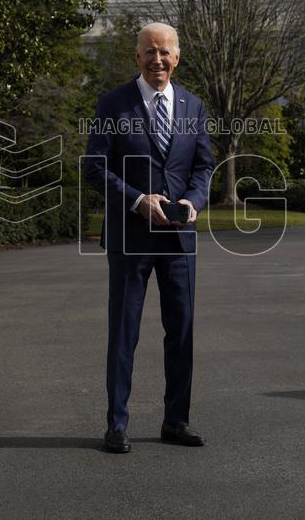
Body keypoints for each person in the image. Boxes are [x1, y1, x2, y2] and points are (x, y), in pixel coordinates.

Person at [85, 22, 214, 454]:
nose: (158, 59)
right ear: (137, 56)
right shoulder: (112, 104)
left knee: (182, 332)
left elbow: (203, 167)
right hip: (130, 235)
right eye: (150, 52)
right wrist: (138, 200)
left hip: (180, 237)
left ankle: (176, 421)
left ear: (177, 56)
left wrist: (194, 200)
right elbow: (94, 168)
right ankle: (116, 425)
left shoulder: (194, 106)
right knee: (124, 333)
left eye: (165, 52)